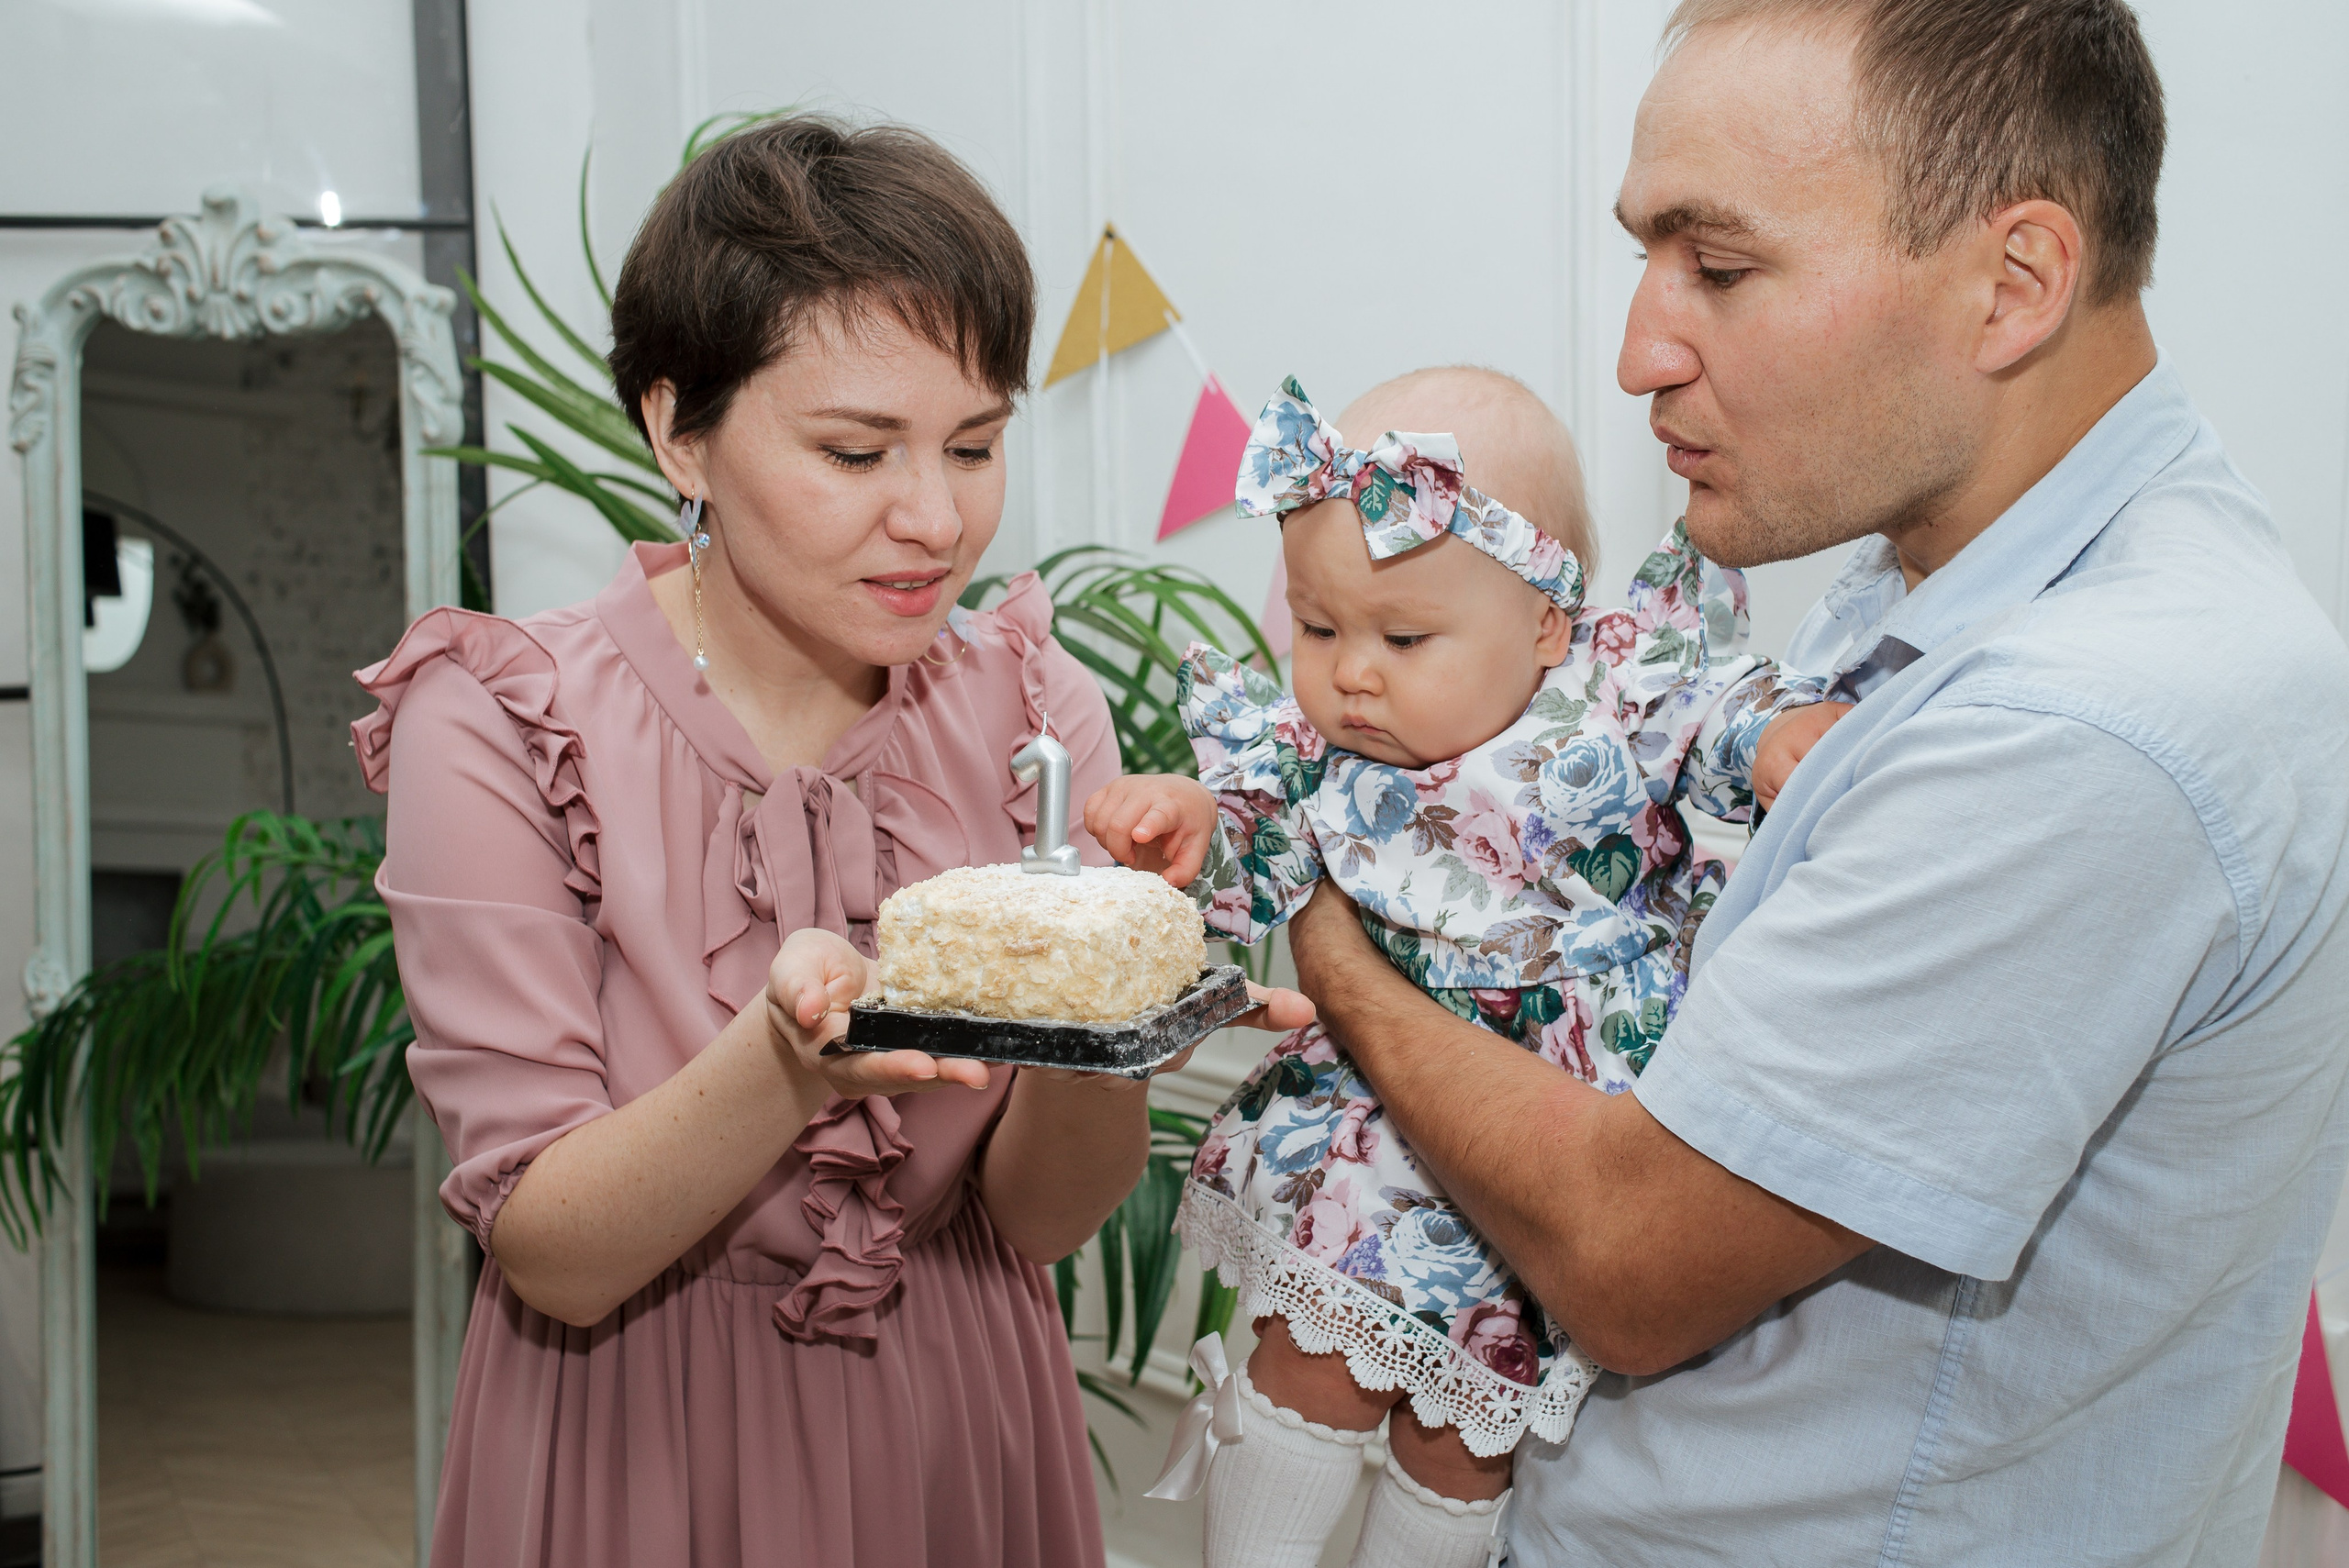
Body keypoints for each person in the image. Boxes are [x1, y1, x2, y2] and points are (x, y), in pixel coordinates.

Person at [1273, 2, 2349, 1562]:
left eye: (1719, 267)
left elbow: (1627, 1252)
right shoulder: (1959, 556)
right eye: (1647, 257)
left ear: (2014, 283)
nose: (1643, 348)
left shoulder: (2089, 718)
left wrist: (1335, 951)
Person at [351, 116, 1308, 1567]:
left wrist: (1104, 1026)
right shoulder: (500, 720)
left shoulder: (1039, 706)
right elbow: (552, 1240)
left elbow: (1042, 1219)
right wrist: (784, 1055)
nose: (934, 517)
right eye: (857, 451)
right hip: (633, 1431)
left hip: (957, 1413)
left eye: (975, 444)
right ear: (680, 429)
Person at [1084, 368, 1845, 1568]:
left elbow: (1705, 717)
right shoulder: (1321, 752)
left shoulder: (1603, 708)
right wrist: (1186, 814)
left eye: (1403, 635)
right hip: (1374, 1129)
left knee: (1464, 1442)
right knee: (1314, 1363)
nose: (1352, 672)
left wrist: (1771, 740)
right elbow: (1253, 842)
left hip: (1553, 1155)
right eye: (1318, 626)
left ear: (1547, 624)